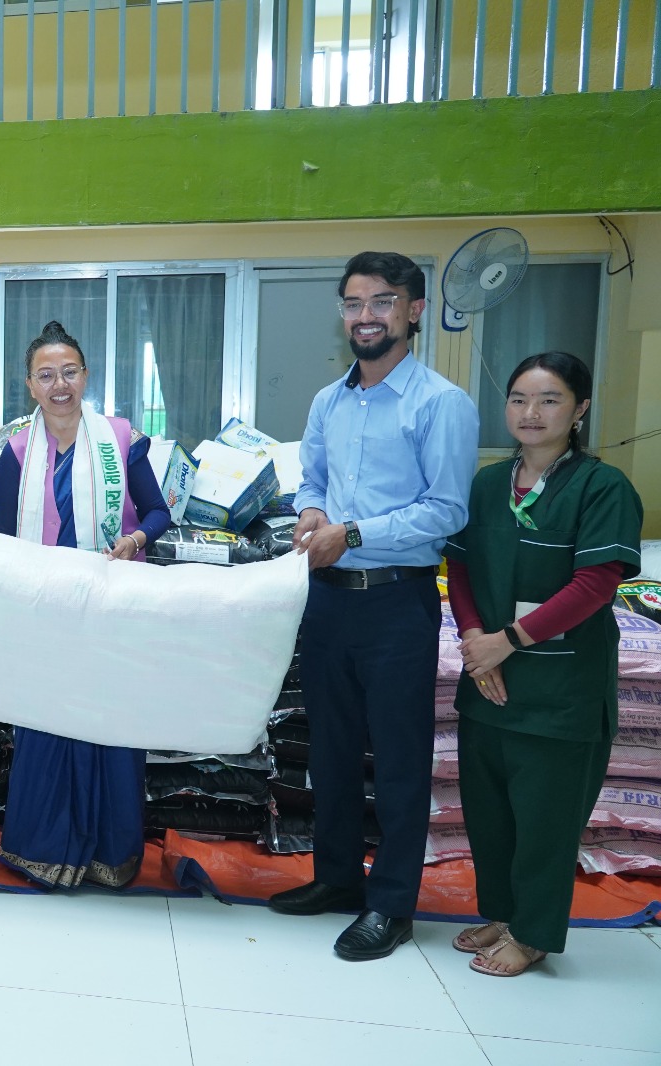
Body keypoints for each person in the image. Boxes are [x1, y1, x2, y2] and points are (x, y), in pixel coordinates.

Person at [268, 251, 479, 961]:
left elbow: (446, 511)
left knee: (397, 760)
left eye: (382, 301)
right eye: (354, 303)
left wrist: (351, 533)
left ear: (413, 311)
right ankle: (336, 880)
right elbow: (312, 480)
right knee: (328, 752)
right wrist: (311, 512)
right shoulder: (328, 402)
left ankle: (391, 904)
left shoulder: (441, 404)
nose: (366, 316)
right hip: (328, 602)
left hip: (397, 604)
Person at [445, 351, 642, 977]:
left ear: (580, 409)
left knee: (545, 820)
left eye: (550, 399)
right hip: (490, 679)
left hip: (560, 688)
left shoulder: (603, 488)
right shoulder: (486, 485)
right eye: (519, 399)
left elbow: (595, 585)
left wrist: (508, 641)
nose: (531, 412)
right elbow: (461, 568)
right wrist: (475, 640)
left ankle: (533, 934)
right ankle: (503, 914)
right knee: (491, 813)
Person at [0, 320, 171, 888]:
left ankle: (110, 854)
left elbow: (159, 512)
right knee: (47, 725)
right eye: (46, 375)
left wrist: (135, 540)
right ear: (30, 385)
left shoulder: (121, 439)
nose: (59, 385)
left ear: (86, 377)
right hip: (45, 613)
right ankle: (45, 849)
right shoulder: (16, 451)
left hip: (112, 607)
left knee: (110, 723)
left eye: (69, 372)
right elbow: (2, 539)